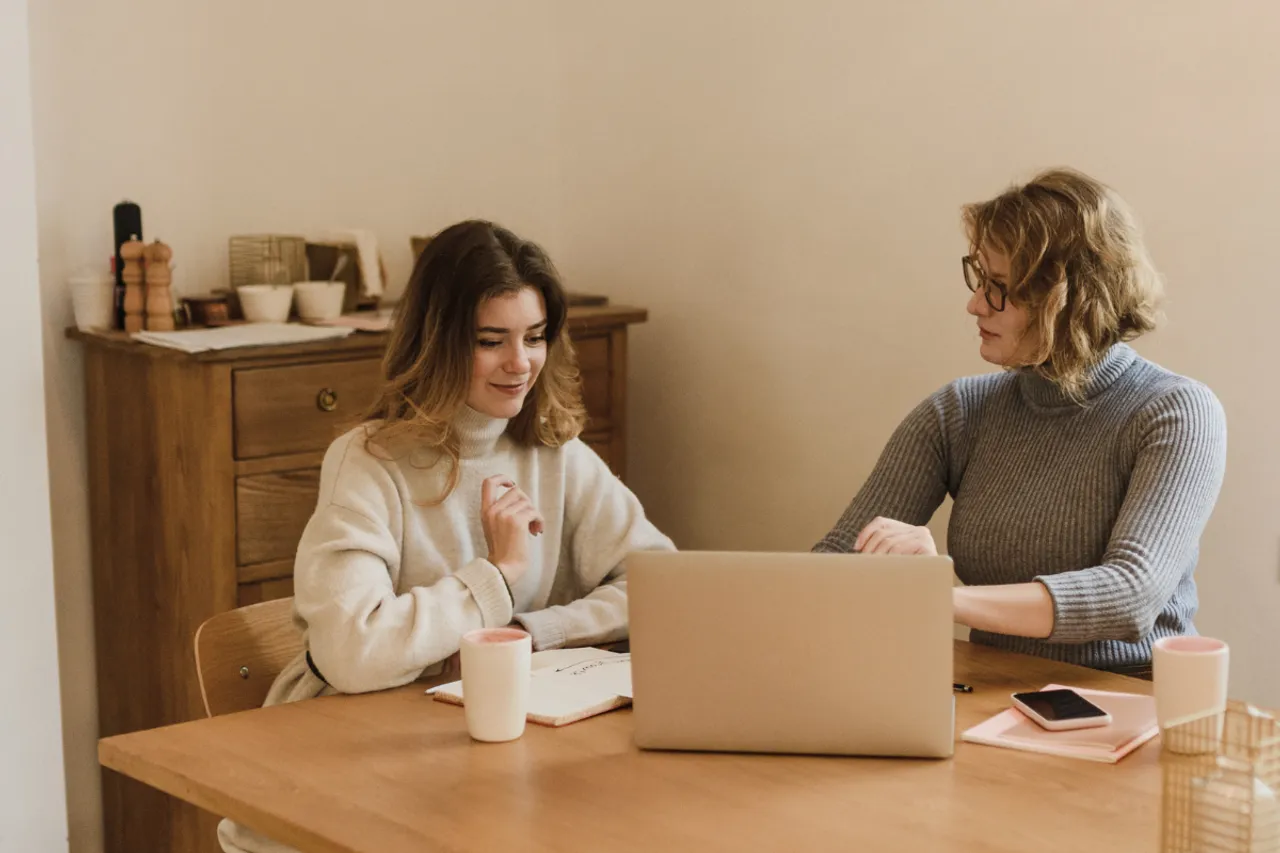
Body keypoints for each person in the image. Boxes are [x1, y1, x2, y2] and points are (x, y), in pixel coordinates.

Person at [219, 220, 673, 853]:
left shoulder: (554, 450)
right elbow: (351, 651)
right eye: (491, 341)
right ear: (437, 343)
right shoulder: (368, 461)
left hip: (485, 757)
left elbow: (660, 584)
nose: (521, 364)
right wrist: (498, 576)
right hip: (349, 761)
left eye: (535, 337)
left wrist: (531, 633)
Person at [813, 168, 1226, 676]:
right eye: (979, 279)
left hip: (1126, 702)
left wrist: (936, 594)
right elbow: (832, 565)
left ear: (1071, 297)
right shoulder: (959, 411)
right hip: (989, 693)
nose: (974, 304)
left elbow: (1129, 594)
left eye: (999, 287)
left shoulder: (1174, 411)